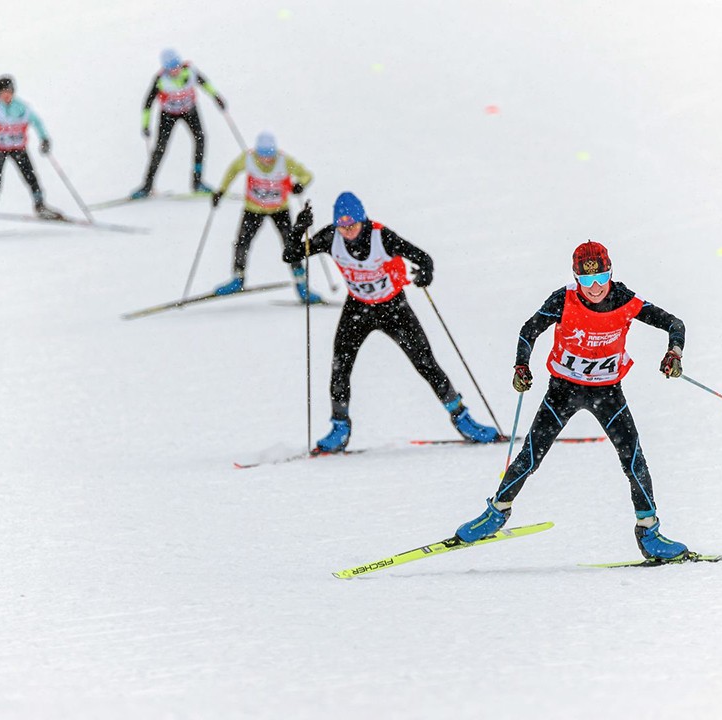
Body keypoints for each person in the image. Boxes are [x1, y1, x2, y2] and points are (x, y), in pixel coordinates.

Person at [454, 240, 690, 561]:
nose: (594, 288)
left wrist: (673, 352)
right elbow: (529, 330)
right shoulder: (563, 299)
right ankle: (496, 513)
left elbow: (675, 324)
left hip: (607, 392)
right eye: (586, 280)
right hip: (562, 390)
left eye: (601, 278)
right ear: (575, 278)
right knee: (531, 456)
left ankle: (649, 532)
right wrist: (521, 365)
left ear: (610, 273)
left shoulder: (624, 299)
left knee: (633, 460)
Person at [284, 192, 500, 453]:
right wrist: (298, 229)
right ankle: (339, 428)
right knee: (340, 366)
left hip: (393, 308)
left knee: (426, 364)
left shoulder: (381, 236)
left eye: (353, 225)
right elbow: (292, 255)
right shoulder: (331, 237)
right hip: (358, 308)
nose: (348, 232)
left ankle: (463, 419)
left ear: (362, 221)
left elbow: (422, 257)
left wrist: (424, 275)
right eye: (343, 227)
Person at [211, 132, 320, 303]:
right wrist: (221, 191)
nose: (266, 160)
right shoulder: (247, 158)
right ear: (256, 153)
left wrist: (300, 185)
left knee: (291, 246)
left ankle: (301, 285)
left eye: (270, 156)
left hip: (280, 210)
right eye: (262, 156)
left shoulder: (284, 161)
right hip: (253, 209)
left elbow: (307, 175)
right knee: (242, 242)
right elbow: (232, 171)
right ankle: (237, 278)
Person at [0, 75, 64, 237]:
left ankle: (40, 206)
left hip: (18, 149)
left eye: (9, 92)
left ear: (13, 92)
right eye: (3, 92)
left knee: (31, 178)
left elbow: (37, 122)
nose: (6, 95)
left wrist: (44, 138)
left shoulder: (22, 107)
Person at [130, 49, 227, 199]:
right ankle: (147, 186)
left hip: (190, 111)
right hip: (168, 115)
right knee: (160, 149)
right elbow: (148, 103)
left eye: (177, 66)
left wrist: (217, 97)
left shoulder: (190, 71)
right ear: (165, 68)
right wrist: (145, 124)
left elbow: (205, 84)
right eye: (171, 68)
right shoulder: (160, 80)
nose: (175, 70)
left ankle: (197, 182)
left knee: (200, 140)